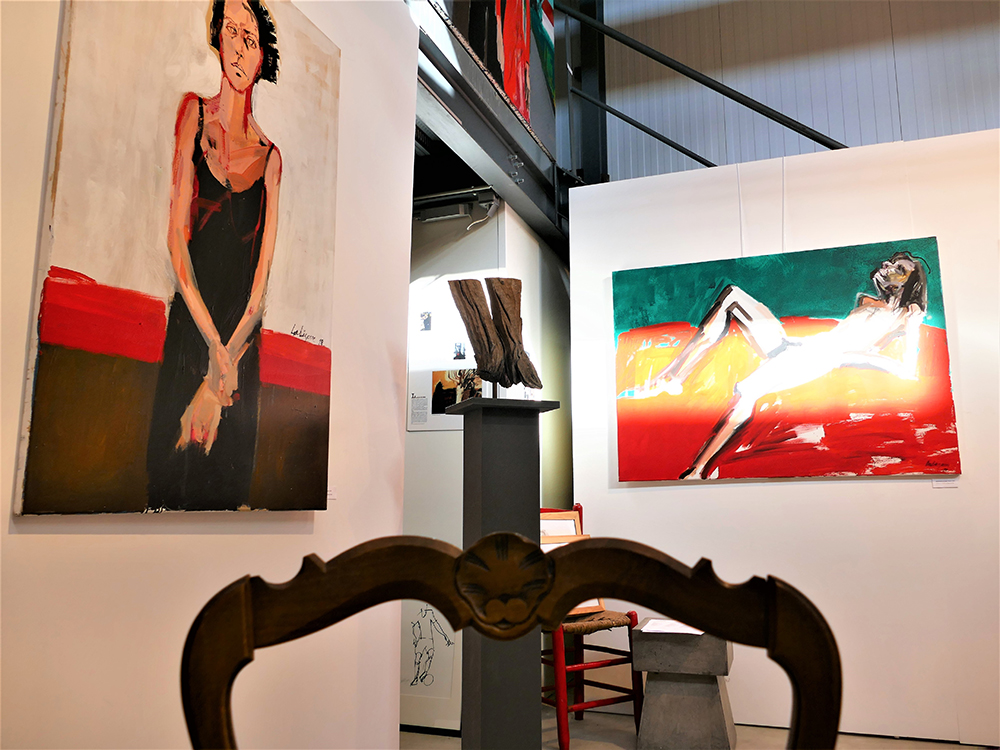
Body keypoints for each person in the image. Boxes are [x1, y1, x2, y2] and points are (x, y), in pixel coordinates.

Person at [147, 0, 281, 510]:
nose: (240, 48)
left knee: (227, 498)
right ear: (216, 38)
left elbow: (259, 290)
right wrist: (211, 352)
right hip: (191, 333)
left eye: (251, 38)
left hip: (240, 351)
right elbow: (177, 243)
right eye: (231, 31)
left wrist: (223, 368)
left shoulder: (271, 160)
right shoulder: (192, 114)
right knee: (165, 488)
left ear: (263, 56)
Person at [646, 252, 928, 479]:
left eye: (899, 268)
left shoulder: (908, 315)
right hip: (799, 345)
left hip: (816, 359)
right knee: (732, 295)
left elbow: (907, 368)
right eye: (891, 262)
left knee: (747, 393)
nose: (887, 265)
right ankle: (674, 377)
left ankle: (699, 470)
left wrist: (855, 358)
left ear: (911, 282)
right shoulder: (867, 301)